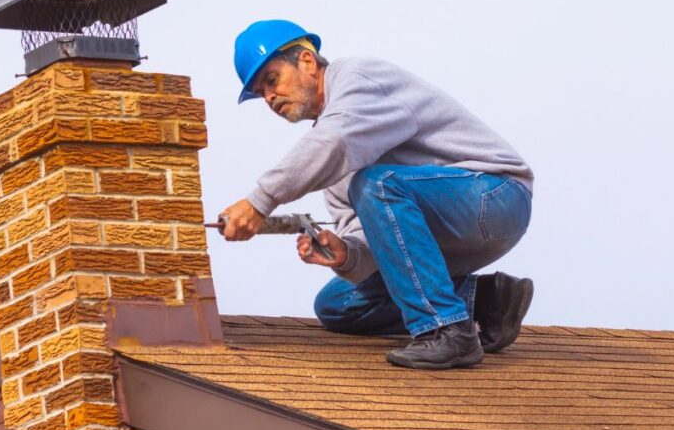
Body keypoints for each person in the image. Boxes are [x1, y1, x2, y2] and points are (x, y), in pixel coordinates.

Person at [219, 19, 535, 370]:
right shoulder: (334, 160)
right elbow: (373, 241)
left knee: (378, 184)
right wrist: (347, 255)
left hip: (496, 196)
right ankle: (486, 301)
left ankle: (447, 331)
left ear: (307, 61)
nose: (269, 97)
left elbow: (336, 141)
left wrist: (259, 201)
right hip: (446, 233)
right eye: (261, 93)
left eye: (272, 80)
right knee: (339, 304)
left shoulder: (358, 79)